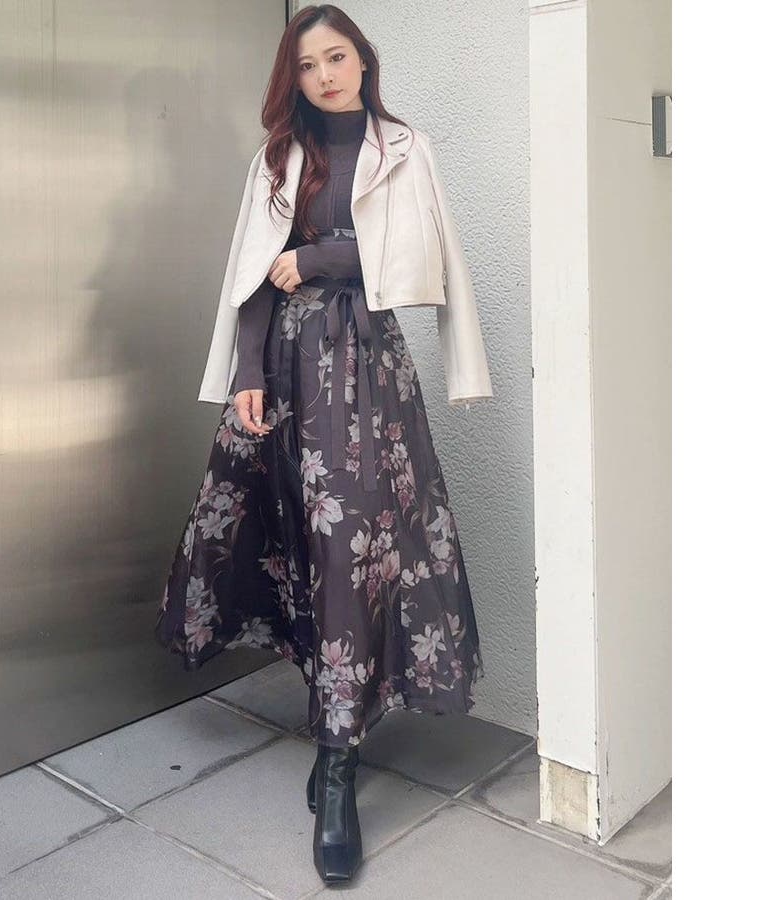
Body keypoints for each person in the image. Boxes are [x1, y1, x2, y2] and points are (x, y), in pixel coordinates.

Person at [154, 3, 494, 885]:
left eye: (336, 57)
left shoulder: (405, 148)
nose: (324, 76)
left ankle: (338, 767)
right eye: (307, 66)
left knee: (355, 550)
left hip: (368, 373)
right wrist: (247, 373)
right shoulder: (278, 156)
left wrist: (321, 259)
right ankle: (332, 727)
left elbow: (417, 260)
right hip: (289, 368)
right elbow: (253, 274)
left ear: (363, 60)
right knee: (301, 543)